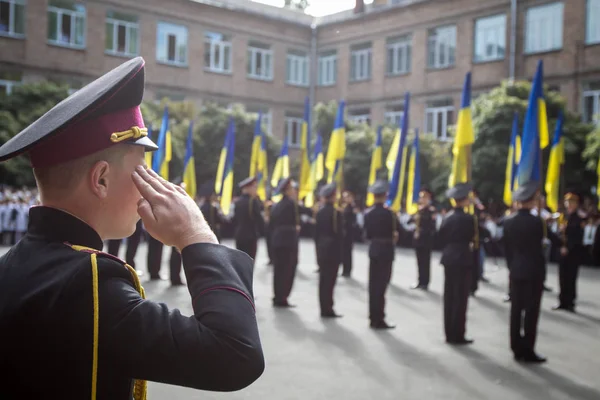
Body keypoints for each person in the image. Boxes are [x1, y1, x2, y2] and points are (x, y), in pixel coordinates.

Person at [0, 57, 264, 398]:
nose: (153, 186)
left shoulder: (10, 266)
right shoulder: (89, 283)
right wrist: (197, 236)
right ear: (102, 179)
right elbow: (234, 355)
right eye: (144, 172)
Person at [504, 182, 558, 363]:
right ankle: (528, 349)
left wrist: (511, 265)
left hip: (516, 269)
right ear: (533, 201)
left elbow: (506, 248)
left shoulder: (509, 221)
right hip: (534, 271)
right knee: (531, 311)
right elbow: (553, 241)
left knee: (516, 309)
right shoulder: (538, 222)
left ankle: (515, 346)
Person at [439, 183, 476, 345]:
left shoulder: (447, 217)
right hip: (462, 257)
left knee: (449, 296)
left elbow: (441, 237)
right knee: (460, 298)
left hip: (449, 256)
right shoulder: (469, 219)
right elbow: (473, 236)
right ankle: (458, 333)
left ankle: (448, 332)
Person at [364, 180, 401, 329]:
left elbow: (367, 234)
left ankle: (373, 316)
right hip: (386, 250)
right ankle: (379, 318)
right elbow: (398, 231)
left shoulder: (368, 213)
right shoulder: (390, 214)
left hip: (374, 249)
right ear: (385, 196)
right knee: (382, 286)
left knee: (373, 286)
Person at [270, 178, 301, 307]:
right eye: (293, 189)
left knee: (279, 270)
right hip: (288, 240)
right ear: (287, 190)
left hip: (277, 239)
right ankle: (282, 297)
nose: (294, 192)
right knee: (287, 270)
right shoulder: (291, 204)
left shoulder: (278, 204)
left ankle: (278, 295)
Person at [553, 191, 585, 312]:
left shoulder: (579, 218)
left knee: (571, 278)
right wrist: (561, 245)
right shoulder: (563, 217)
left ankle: (570, 302)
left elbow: (577, 237)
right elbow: (560, 234)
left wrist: (568, 247)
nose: (569, 204)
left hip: (573, 253)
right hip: (562, 251)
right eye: (568, 202)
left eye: (572, 202)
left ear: (576, 204)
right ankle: (562, 301)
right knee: (562, 277)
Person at [315, 183, 344, 318]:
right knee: (330, 281)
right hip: (333, 250)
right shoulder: (336, 213)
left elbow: (316, 234)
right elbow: (339, 234)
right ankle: (328, 308)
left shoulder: (319, 211)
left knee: (323, 280)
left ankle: (323, 307)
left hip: (321, 248)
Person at [233, 177, 265, 262]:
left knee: (241, 263)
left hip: (239, 236)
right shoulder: (253, 201)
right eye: (254, 187)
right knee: (250, 263)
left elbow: (234, 220)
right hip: (250, 237)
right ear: (248, 188)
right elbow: (259, 219)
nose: (256, 190)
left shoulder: (237, 202)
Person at [410, 188, 436, 290]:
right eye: (421, 197)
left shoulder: (430, 211)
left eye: (424, 197)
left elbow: (432, 227)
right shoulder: (418, 210)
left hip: (426, 240)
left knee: (426, 262)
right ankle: (420, 281)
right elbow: (410, 221)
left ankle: (425, 282)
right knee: (419, 261)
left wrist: (421, 231)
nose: (422, 199)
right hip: (418, 240)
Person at [341, 190, 356, 278]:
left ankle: (347, 270)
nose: (345, 198)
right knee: (344, 252)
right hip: (344, 233)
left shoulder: (351, 208)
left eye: (347, 197)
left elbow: (350, 221)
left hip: (349, 233)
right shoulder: (345, 207)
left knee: (348, 253)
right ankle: (344, 269)